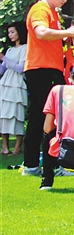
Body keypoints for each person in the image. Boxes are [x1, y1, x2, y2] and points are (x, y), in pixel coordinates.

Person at [23, 0, 74, 176]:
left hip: (51, 69)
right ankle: (38, 165)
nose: (65, 0)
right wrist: (67, 33)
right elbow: (41, 33)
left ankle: (46, 164)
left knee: (47, 116)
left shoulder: (53, 13)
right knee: (44, 116)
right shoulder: (40, 9)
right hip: (40, 69)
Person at [0, 22, 28, 154]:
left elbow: (20, 68)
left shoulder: (25, 48)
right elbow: (2, 70)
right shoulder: (10, 50)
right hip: (5, 84)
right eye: (9, 33)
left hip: (17, 84)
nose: (10, 35)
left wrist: (4, 58)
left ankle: (17, 146)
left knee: (17, 113)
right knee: (4, 113)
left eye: (12, 32)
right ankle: (5, 146)